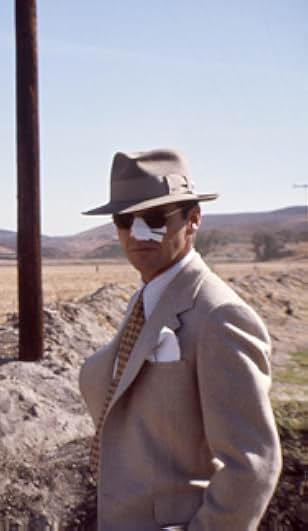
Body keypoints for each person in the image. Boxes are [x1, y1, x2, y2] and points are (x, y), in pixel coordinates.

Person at [78, 148, 281, 530]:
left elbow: (252, 465)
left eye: (155, 218)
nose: (138, 233)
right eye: (125, 220)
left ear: (193, 220)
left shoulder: (220, 316)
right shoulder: (147, 299)